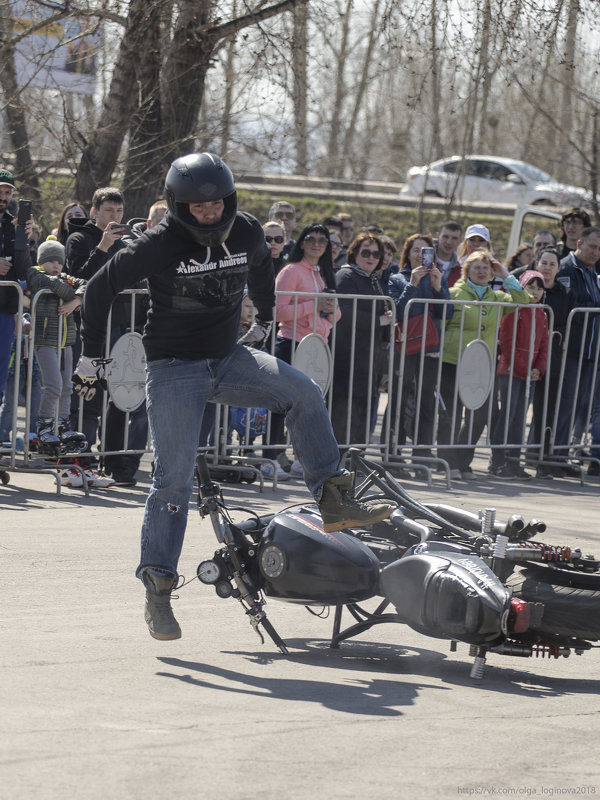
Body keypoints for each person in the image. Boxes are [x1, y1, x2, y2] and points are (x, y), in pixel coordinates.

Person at [74, 152, 394, 641]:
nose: (211, 212)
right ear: (179, 206)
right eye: (199, 206)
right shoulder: (158, 244)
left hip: (228, 359)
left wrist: (264, 314)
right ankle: (158, 589)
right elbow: (100, 288)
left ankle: (335, 501)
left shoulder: (243, 230)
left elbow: (264, 265)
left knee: (303, 391)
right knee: (172, 482)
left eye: (218, 202)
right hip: (173, 368)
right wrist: (92, 357)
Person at [438, 250, 530, 481]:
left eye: (486, 268)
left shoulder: (497, 297)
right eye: (476, 267)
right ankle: (447, 462)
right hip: (453, 361)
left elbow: (524, 300)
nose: (481, 271)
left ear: (491, 273)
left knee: (480, 414)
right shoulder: (454, 293)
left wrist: (506, 275)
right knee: (451, 414)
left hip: (481, 365)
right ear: (467, 271)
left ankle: (462, 461)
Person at [65, 186, 130, 486]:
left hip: (119, 329)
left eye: (118, 211)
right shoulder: (80, 238)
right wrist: (102, 246)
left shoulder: (127, 242)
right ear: (94, 211)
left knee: (117, 396)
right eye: (108, 211)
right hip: (90, 329)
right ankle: (78, 464)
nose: (114, 217)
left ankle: (112, 463)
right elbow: (78, 279)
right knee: (87, 397)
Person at [264, 224, 341, 480]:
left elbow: (335, 314)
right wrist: (313, 305)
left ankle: (302, 460)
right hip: (291, 342)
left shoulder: (324, 274)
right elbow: (278, 312)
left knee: (312, 406)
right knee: (281, 403)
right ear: (302, 242)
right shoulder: (290, 271)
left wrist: (329, 313)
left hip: (317, 345)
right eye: (311, 239)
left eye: (322, 240)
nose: (316, 244)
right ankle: (268, 457)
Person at [26, 237, 91, 487]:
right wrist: (70, 292)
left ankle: (62, 424)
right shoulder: (36, 274)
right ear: (43, 261)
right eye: (51, 260)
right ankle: (44, 426)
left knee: (66, 385)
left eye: (59, 261)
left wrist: (77, 300)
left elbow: (85, 285)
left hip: (65, 340)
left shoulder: (64, 278)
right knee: (52, 384)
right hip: (45, 340)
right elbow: (52, 285)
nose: (56, 265)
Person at [386, 233, 452, 460]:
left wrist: (438, 287)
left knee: (427, 401)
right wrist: (413, 284)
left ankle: (422, 452)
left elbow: (447, 314)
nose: (420, 255)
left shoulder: (438, 278)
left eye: (425, 251)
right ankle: (392, 451)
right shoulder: (397, 278)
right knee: (399, 400)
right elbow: (400, 311)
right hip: (405, 346)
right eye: (416, 250)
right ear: (408, 253)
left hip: (430, 347)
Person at [331, 231, 393, 447]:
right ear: (354, 253)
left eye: (376, 254)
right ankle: (337, 466)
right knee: (342, 416)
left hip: (368, 360)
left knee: (361, 417)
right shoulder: (346, 276)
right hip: (346, 358)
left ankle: (355, 463)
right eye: (365, 252)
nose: (371, 257)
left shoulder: (372, 279)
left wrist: (388, 322)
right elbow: (345, 311)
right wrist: (379, 321)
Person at [489, 270, 548, 480]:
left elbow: (543, 346)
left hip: (529, 374)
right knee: (508, 415)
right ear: (522, 286)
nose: (535, 292)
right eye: (530, 287)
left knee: (520, 419)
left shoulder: (542, 313)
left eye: (539, 288)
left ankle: (514, 461)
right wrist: (524, 368)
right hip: (510, 371)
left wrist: (538, 369)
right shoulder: (514, 310)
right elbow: (506, 343)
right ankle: (497, 461)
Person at [555, 227, 600, 470]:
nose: (596, 252)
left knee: (580, 405)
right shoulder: (567, 268)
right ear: (580, 243)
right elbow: (571, 303)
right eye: (592, 246)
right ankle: (558, 456)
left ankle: (564, 453)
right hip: (570, 350)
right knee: (566, 403)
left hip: (590, 351)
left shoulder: (591, 272)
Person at [530, 247, 574, 478]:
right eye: (543, 263)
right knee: (514, 408)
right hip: (523, 355)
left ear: (558, 268)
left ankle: (543, 460)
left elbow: (569, 323)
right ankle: (506, 458)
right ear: (536, 265)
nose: (546, 268)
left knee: (546, 410)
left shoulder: (563, 292)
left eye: (551, 265)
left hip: (551, 358)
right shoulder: (527, 286)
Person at [0, 168, 33, 402]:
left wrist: (24, 239)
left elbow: (22, 270)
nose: (3, 197)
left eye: (7, 192)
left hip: (5, 309)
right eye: (0, 191)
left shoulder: (13, 224)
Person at [434, 220, 463, 287]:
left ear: (460, 240)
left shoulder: (460, 272)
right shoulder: (422, 261)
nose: (449, 242)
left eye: (454, 238)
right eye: (445, 237)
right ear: (438, 236)